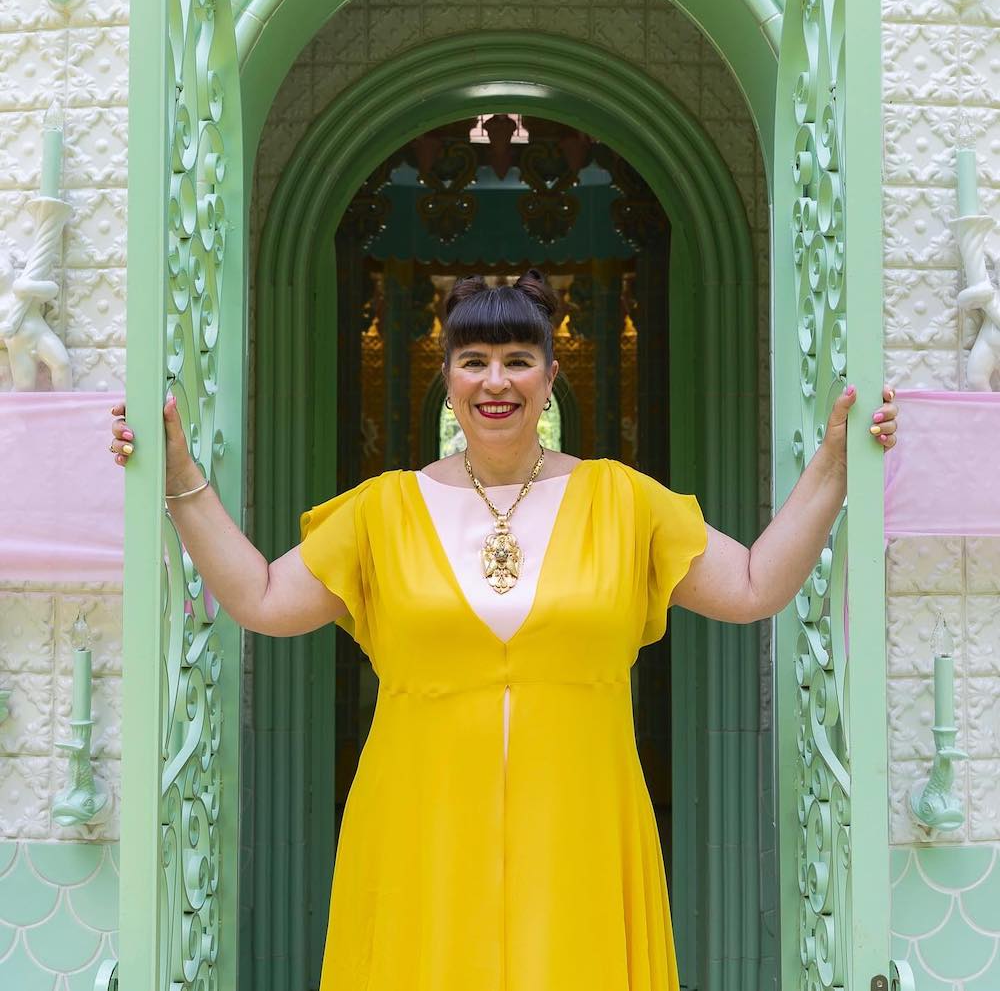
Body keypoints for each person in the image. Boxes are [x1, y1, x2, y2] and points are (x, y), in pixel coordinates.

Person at [109, 268, 898, 990]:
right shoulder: (382, 510)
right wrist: (181, 482)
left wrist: (833, 464)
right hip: (419, 825)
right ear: (446, 379)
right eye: (474, 360)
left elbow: (757, 585)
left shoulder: (624, 501)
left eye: (519, 359)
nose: (496, 380)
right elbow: (262, 598)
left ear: (551, 377)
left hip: (582, 826)